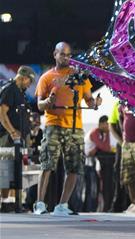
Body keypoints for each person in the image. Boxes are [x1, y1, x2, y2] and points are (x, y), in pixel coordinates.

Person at [33, 42, 102, 215]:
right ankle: (40, 204)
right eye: (62, 54)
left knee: (75, 167)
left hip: (75, 127)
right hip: (53, 125)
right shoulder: (47, 77)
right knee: (47, 165)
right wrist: (48, 102)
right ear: (55, 54)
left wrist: (95, 103)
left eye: (69, 55)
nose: (66, 57)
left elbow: (89, 100)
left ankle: (62, 205)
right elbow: (40, 105)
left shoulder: (79, 76)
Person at [0, 66, 36, 200]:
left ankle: (11, 202)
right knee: (6, 170)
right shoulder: (10, 89)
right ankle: (4, 202)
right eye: (29, 81)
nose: (29, 85)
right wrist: (12, 131)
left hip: (18, 139)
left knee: (15, 171)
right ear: (23, 78)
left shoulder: (20, 91)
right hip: (9, 138)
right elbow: (1, 113)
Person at [88, 116, 116, 212]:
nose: (108, 126)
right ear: (101, 124)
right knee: (94, 188)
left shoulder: (101, 133)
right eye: (107, 124)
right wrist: (108, 133)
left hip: (93, 164)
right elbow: (106, 148)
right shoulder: (94, 132)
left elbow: (105, 147)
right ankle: (93, 208)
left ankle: (105, 207)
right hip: (88, 165)